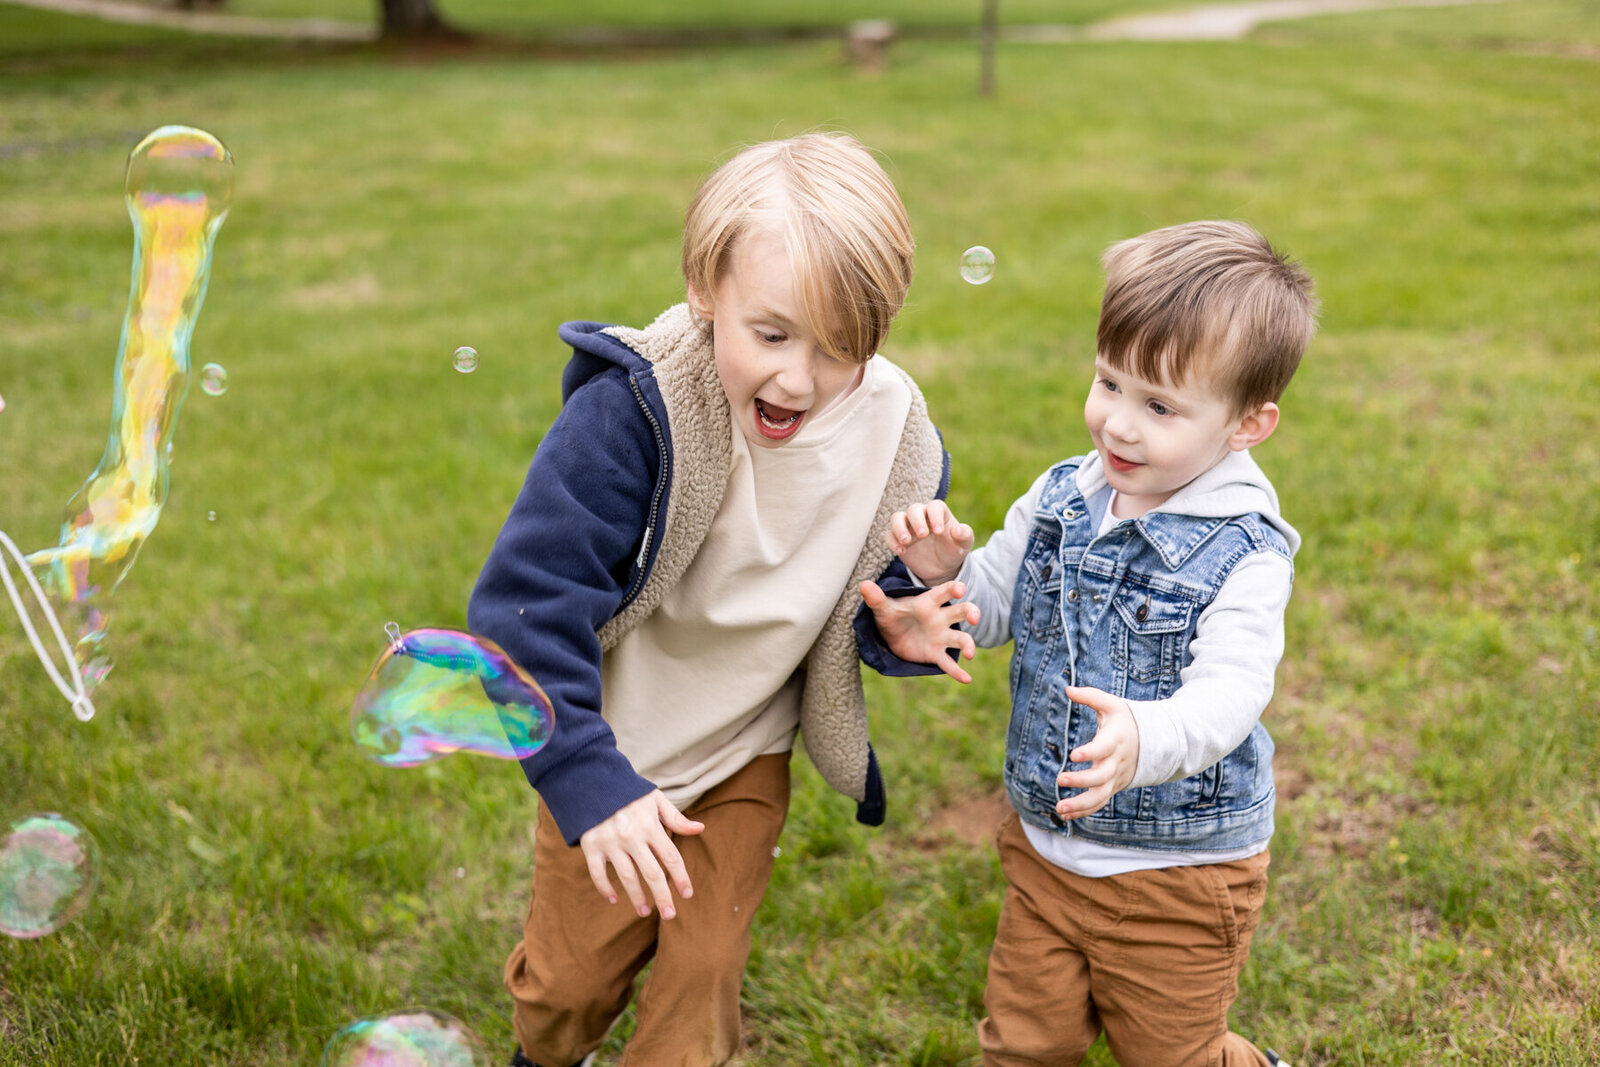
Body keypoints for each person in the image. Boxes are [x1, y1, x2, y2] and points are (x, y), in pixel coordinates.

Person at [467, 132, 976, 1067]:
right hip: (615, 742)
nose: (799, 380)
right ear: (707, 291)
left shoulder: (897, 433)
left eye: (841, 348)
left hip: (746, 750)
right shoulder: (634, 415)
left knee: (701, 976)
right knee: (568, 988)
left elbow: (858, 598)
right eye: (771, 334)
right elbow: (522, 608)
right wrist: (591, 782)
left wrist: (907, 609)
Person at [865, 220, 1317, 1066]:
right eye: (1110, 382)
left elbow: (1232, 694)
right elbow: (994, 603)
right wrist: (942, 584)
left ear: (1248, 426)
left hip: (1179, 876)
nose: (1119, 424)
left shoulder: (1246, 556)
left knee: (1174, 1056)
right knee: (1022, 1045)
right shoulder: (1064, 494)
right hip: (1043, 853)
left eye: (1160, 406)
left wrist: (1145, 737)